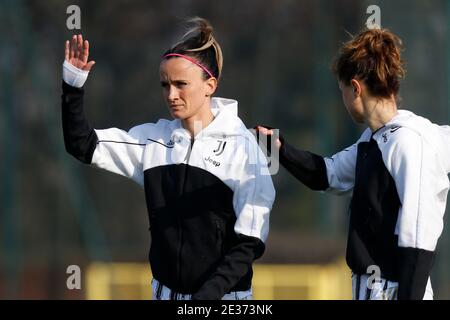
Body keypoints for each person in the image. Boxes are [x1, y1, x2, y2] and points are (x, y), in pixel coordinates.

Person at [61, 17, 275, 300]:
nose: (171, 94)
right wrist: (73, 86)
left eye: (181, 84)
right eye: (165, 85)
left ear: (210, 85)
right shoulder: (153, 139)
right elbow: (82, 144)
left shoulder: (246, 148)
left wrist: (204, 299)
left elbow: (248, 243)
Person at [256, 28, 450, 300]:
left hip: (395, 290)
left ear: (356, 88)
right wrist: (281, 149)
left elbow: (419, 233)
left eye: (343, 90)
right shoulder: (374, 138)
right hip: (369, 288)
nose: (344, 99)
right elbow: (329, 175)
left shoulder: (409, 141)